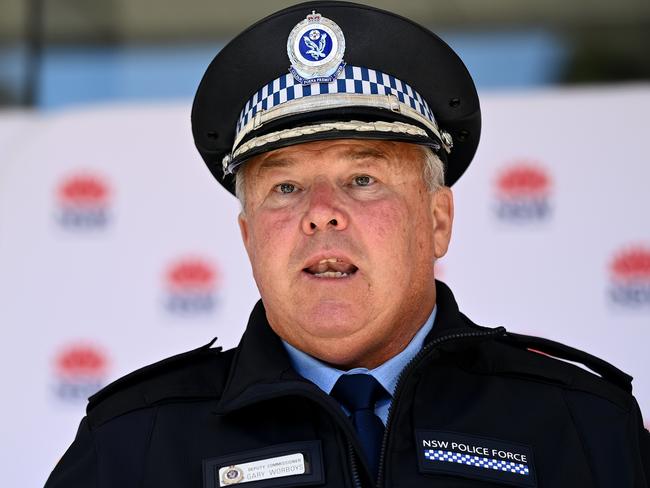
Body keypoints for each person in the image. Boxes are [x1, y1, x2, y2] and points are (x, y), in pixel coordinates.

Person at [45, 2, 649, 487]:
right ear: (249, 236)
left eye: (363, 179)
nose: (321, 215)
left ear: (437, 220)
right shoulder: (133, 446)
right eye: (285, 187)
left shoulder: (582, 425)